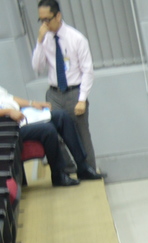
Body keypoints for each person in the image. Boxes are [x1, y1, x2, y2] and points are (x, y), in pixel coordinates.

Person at [32, 0, 97, 169]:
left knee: (81, 132)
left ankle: (89, 169)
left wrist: (82, 99)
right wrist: (39, 42)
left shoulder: (76, 38)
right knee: (52, 131)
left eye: (47, 19)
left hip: (74, 91)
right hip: (54, 93)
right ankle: (67, 167)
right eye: (41, 20)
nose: (44, 24)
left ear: (58, 16)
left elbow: (87, 71)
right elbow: (37, 68)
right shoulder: (45, 39)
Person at [0, 85, 102, 186]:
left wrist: (32, 103)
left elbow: (8, 98)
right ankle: (58, 175)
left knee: (62, 116)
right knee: (48, 129)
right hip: (8, 128)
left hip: (20, 117)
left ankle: (82, 166)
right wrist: (9, 111)